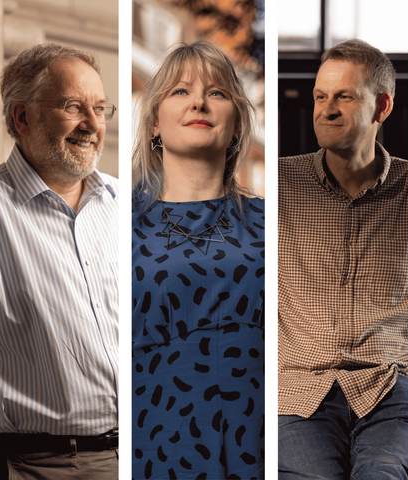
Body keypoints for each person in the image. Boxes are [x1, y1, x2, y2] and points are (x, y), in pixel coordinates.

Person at [278, 39, 408, 479]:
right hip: (300, 389)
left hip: (389, 387)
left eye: (344, 96)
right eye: (320, 96)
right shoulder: (279, 187)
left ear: (382, 106)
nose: (326, 109)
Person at [0, 43, 119, 479]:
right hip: (39, 465)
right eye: (73, 107)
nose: (93, 125)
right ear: (22, 118)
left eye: (101, 108)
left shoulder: (127, 204)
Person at [132, 41, 264, 479]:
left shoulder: (274, 223)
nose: (199, 102)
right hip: (155, 441)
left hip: (262, 443)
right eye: (180, 91)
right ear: (154, 121)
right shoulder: (115, 223)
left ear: (237, 121)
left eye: (217, 92)